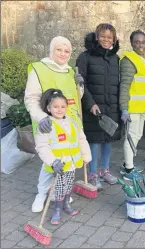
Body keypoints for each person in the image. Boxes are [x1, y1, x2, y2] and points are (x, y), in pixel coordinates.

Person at [24, 36, 82, 213]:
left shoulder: (71, 71)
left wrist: (80, 86)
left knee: (67, 159)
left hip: (69, 123)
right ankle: (42, 193)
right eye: (59, 49)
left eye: (67, 51)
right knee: (49, 162)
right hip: (48, 124)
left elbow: (76, 98)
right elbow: (31, 98)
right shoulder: (39, 69)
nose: (63, 54)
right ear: (52, 50)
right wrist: (41, 117)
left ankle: (62, 191)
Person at [35, 89, 91, 225]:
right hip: (58, 166)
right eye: (55, 107)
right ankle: (57, 210)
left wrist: (86, 155)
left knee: (68, 186)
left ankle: (66, 205)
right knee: (59, 189)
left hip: (71, 164)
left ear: (67, 107)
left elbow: (81, 139)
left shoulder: (73, 122)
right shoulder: (47, 124)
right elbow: (42, 146)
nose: (59, 110)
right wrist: (53, 162)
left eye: (62, 107)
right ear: (49, 108)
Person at [76, 23, 121, 189]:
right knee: (94, 141)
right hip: (93, 108)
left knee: (108, 140)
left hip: (111, 106)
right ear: (96, 37)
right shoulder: (85, 57)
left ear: (114, 39)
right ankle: (93, 173)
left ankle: (104, 171)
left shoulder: (115, 58)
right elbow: (81, 83)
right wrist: (90, 103)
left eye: (110, 37)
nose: (106, 40)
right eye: (103, 36)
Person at [119, 30, 145, 180]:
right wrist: (124, 108)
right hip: (132, 108)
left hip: (141, 107)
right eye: (137, 42)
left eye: (143, 42)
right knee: (131, 137)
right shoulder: (129, 60)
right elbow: (124, 86)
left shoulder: (142, 60)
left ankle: (128, 164)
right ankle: (128, 170)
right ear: (131, 43)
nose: (140, 45)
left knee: (137, 136)